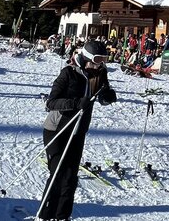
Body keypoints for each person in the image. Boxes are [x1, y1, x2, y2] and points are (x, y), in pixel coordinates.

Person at [38, 41, 117, 221]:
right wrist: (75, 103)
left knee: (70, 177)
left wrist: (107, 97)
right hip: (57, 129)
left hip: (78, 130)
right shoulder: (68, 73)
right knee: (58, 173)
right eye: (97, 60)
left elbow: (101, 94)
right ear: (86, 58)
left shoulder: (100, 72)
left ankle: (62, 216)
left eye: (103, 60)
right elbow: (51, 103)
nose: (100, 64)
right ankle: (45, 215)